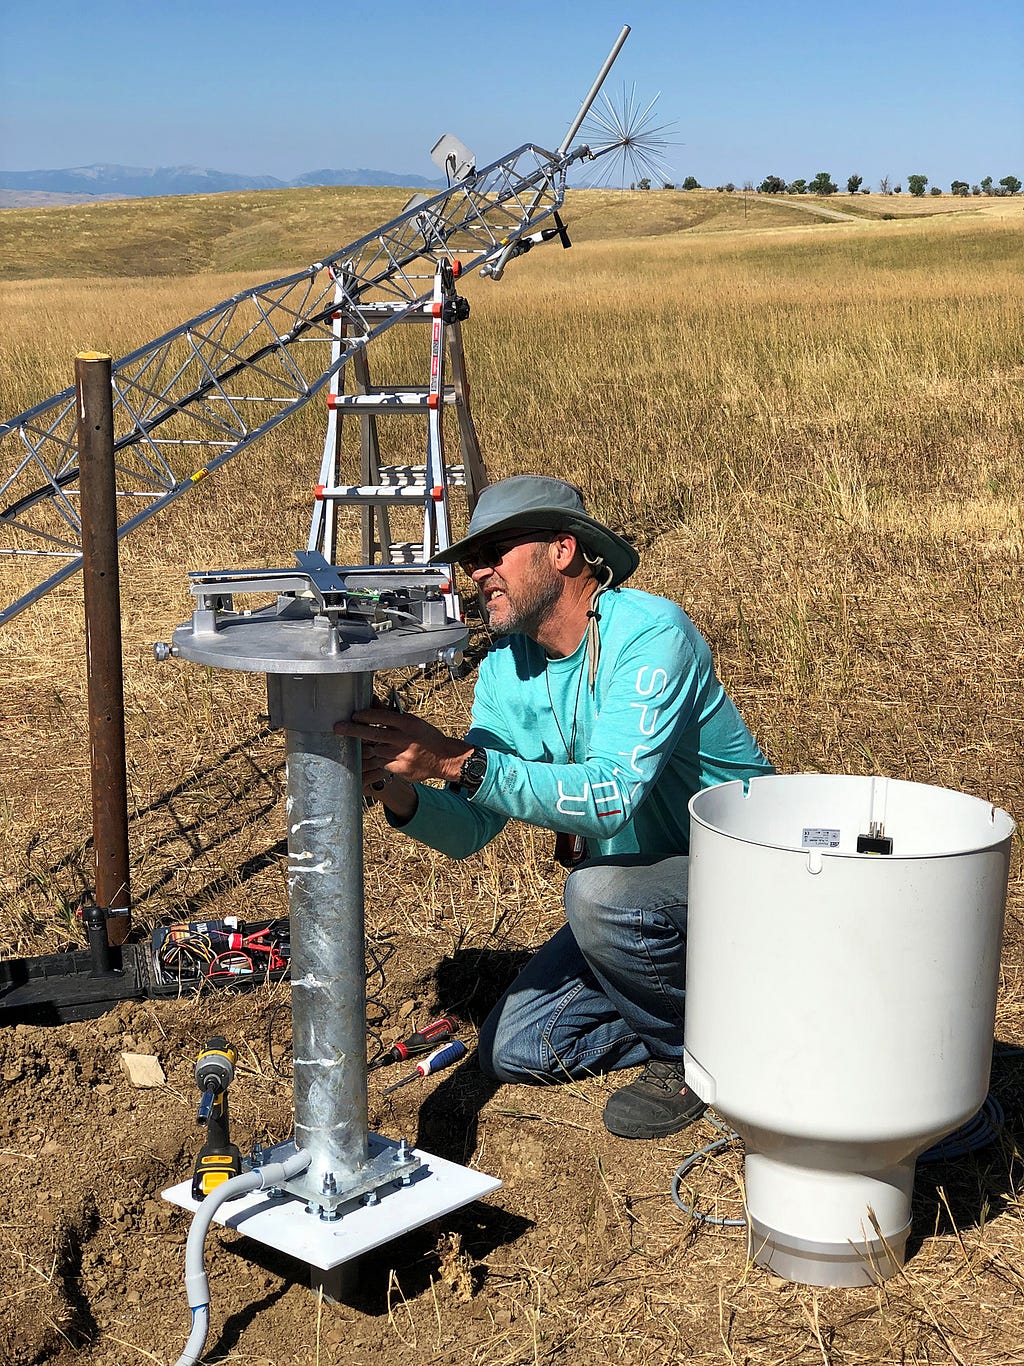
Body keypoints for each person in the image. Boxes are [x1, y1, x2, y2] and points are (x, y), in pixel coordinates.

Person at [335, 476, 774, 1138]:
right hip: (649, 895)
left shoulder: (650, 633)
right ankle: (729, 1010)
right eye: (470, 560)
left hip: (751, 875)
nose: (477, 571)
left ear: (562, 550)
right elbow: (471, 830)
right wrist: (396, 784)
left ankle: (690, 1056)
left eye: (496, 551)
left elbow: (609, 797)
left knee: (598, 896)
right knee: (517, 1047)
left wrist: (454, 761)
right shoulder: (506, 668)